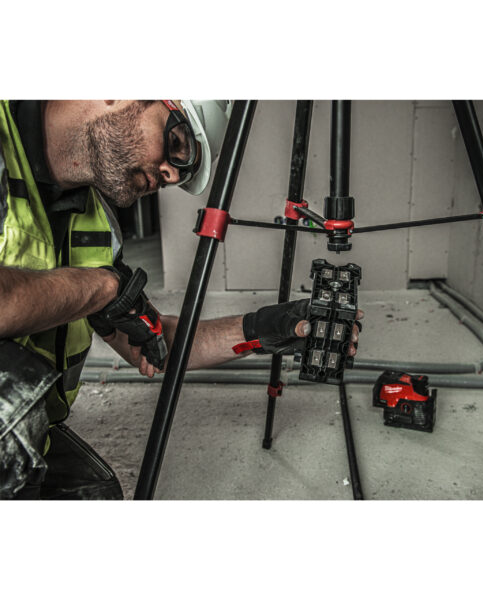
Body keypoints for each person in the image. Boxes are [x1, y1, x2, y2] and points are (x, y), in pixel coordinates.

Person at [0, 100, 362, 500]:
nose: (172, 175)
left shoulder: (94, 224)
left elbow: (151, 344)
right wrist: (101, 287)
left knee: (97, 494)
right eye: (178, 142)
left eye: (184, 170)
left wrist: (265, 329)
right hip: (11, 418)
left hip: (32, 424)